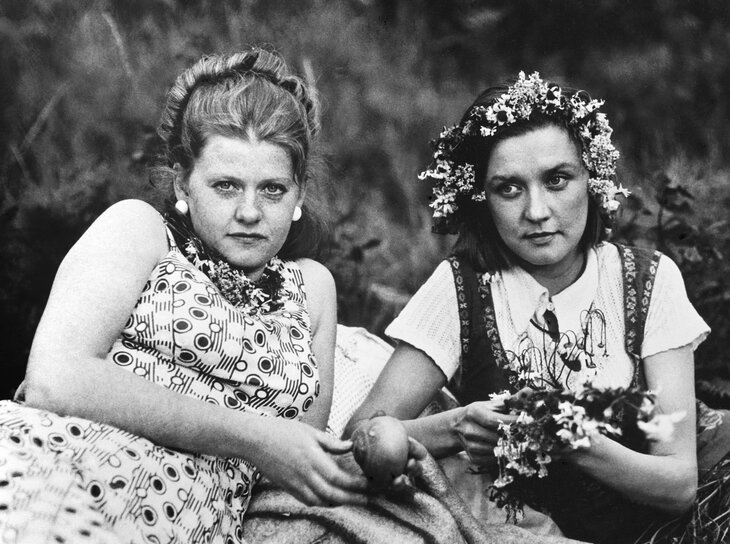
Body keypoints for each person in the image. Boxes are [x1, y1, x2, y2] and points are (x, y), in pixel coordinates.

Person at [0, 48, 369, 544]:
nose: (249, 212)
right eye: (226, 186)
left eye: (273, 190)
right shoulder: (141, 231)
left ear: (299, 195)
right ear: (182, 183)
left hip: (185, 526)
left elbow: (304, 460)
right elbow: (55, 380)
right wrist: (254, 436)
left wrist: (434, 435)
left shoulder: (313, 289)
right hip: (61, 468)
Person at [345, 72, 723, 544]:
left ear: (592, 180)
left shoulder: (649, 279)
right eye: (509, 188)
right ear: (481, 199)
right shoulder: (463, 286)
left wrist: (567, 441)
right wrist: (457, 426)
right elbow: (359, 439)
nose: (537, 211)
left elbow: (678, 485)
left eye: (557, 180)